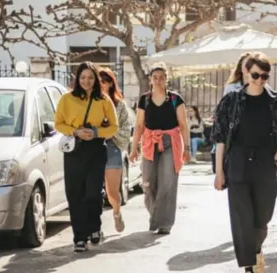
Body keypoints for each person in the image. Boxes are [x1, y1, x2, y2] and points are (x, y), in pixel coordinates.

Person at [213, 52, 277, 273]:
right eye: (256, 75)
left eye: (265, 76)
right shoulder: (231, 101)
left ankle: (256, 250)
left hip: (265, 164)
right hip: (237, 162)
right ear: (246, 72)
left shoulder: (275, 101)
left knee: (262, 217)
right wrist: (219, 171)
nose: (260, 80)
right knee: (242, 219)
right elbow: (220, 138)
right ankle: (248, 272)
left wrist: (276, 158)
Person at [54, 62, 119, 252]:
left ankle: (95, 228)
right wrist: (75, 131)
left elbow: (114, 126)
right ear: (77, 79)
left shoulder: (104, 100)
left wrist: (96, 132)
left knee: (93, 192)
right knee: (75, 193)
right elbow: (58, 124)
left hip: (96, 149)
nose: (86, 81)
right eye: (82, 77)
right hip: (75, 149)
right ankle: (79, 237)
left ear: (95, 79)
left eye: (90, 77)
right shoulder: (66, 99)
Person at [130, 64, 191, 235]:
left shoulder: (175, 99)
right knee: (148, 182)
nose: (158, 81)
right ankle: (156, 216)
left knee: (167, 182)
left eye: (161, 77)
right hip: (150, 142)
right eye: (155, 77)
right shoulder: (144, 100)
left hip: (171, 142)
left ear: (166, 80)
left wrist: (187, 148)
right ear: (150, 79)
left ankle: (165, 223)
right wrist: (134, 148)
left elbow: (183, 125)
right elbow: (139, 125)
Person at [98, 66, 132, 233]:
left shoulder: (120, 105)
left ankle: (116, 213)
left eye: (105, 81)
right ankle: (96, 226)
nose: (102, 84)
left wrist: (109, 133)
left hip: (112, 149)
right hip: (92, 149)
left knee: (112, 192)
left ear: (111, 83)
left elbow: (126, 130)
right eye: (99, 81)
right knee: (94, 192)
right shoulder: (89, 103)